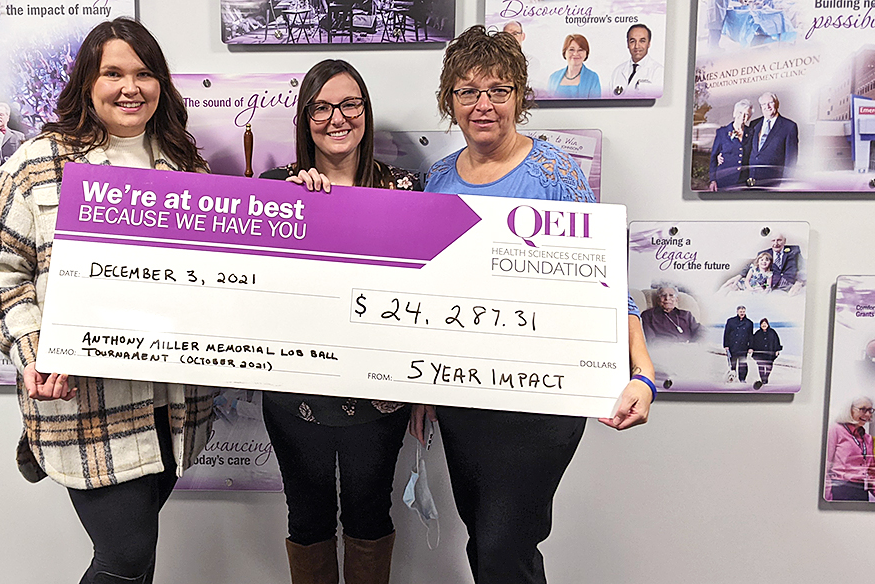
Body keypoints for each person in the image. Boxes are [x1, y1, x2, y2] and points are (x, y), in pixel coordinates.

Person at [0, 18, 216, 584]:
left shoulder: (186, 167)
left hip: (172, 405)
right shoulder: (36, 164)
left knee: (138, 555)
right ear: (87, 82)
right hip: (85, 403)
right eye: (113, 73)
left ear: (162, 85)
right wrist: (37, 353)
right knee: (126, 557)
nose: (130, 87)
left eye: (144, 73)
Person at [411, 26, 655, 584]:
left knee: (503, 544)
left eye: (498, 89)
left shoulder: (555, 174)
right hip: (463, 393)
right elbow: (424, 294)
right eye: (467, 91)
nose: (483, 104)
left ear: (520, 95)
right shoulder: (439, 181)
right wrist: (419, 384)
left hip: (542, 399)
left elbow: (604, 281)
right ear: (449, 100)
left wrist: (642, 372)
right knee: (485, 540)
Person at [258, 59, 420, 584]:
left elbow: (426, 300)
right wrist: (295, 205)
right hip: (295, 393)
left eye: (350, 104)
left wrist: (427, 388)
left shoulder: (407, 192)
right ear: (305, 119)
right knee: (306, 520)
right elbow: (254, 288)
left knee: (370, 516)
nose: (337, 118)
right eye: (321, 107)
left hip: (379, 397)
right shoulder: (276, 190)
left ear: (366, 114)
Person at [824, 397, 875, 501]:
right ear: (849, 409)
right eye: (863, 409)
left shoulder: (868, 439)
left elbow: (871, 473)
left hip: (861, 490)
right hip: (840, 488)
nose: (868, 414)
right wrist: (826, 496)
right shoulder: (836, 430)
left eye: (870, 410)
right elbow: (825, 465)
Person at [747, 91, 798, 186]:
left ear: (777, 104)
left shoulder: (789, 126)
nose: (767, 106)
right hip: (752, 179)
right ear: (761, 107)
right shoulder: (754, 124)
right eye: (763, 104)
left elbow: (791, 159)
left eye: (770, 103)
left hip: (774, 181)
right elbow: (746, 148)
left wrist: (786, 183)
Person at [708, 99, 753, 191]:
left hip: (743, 182)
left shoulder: (752, 133)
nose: (742, 117)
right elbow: (713, 157)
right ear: (734, 114)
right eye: (740, 113)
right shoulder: (722, 132)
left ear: (749, 117)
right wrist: (713, 180)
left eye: (746, 114)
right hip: (724, 180)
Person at [608, 24, 663, 97]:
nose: (637, 46)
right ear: (627, 43)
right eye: (632, 41)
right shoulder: (618, 71)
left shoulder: (658, 72)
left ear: (649, 44)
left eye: (642, 41)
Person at [547, 34, 600, 99]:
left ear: (586, 53)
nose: (575, 54)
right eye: (571, 50)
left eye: (580, 50)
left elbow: (595, 107)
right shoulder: (553, 78)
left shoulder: (593, 78)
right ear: (565, 53)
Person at [722, 305, 754, 383]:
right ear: (737, 312)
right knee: (732, 364)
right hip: (732, 346)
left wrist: (751, 347)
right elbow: (726, 333)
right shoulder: (731, 321)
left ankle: (742, 379)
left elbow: (751, 336)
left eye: (743, 311)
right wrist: (726, 345)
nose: (742, 313)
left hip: (744, 347)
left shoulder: (749, 323)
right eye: (740, 311)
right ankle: (732, 378)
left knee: (743, 365)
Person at [749, 318, 781, 389]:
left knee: (769, 366)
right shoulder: (757, 333)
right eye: (762, 324)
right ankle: (763, 380)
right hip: (760, 354)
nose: (764, 325)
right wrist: (751, 349)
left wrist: (777, 350)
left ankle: (766, 377)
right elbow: (753, 342)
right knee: (761, 367)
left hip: (770, 353)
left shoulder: (772, 332)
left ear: (767, 324)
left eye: (765, 323)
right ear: (760, 325)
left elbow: (777, 341)